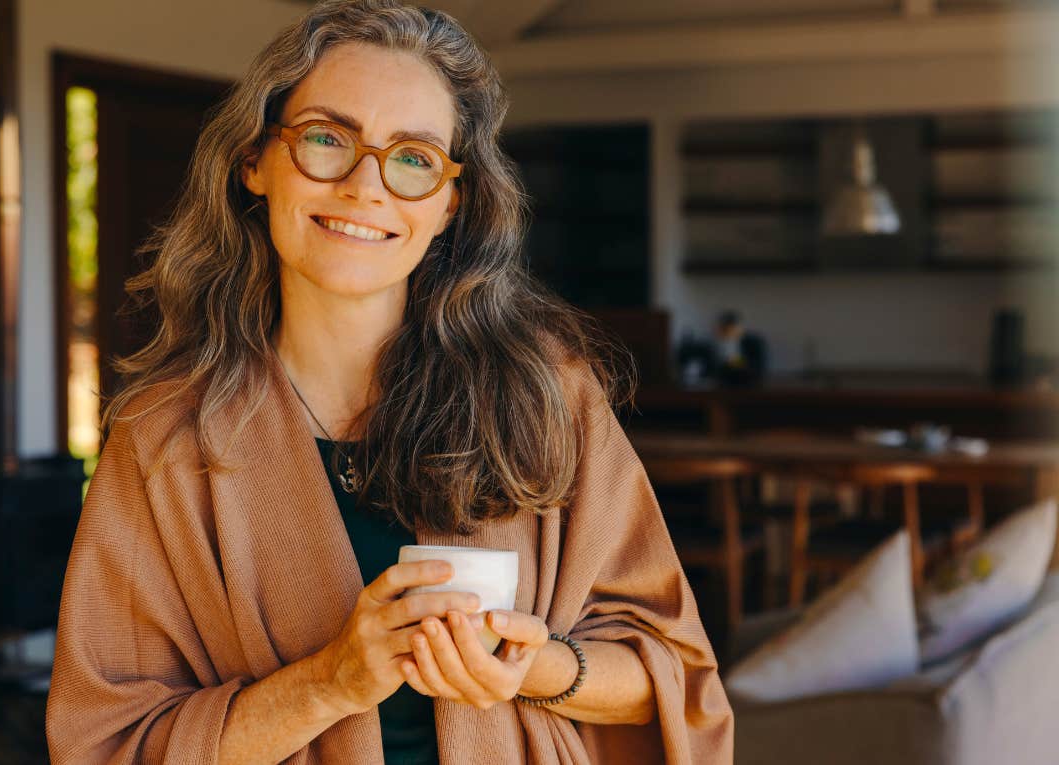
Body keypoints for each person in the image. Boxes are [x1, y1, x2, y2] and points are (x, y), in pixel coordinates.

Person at [46, 1, 733, 763]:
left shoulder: (548, 397)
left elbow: (672, 679)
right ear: (256, 161)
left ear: (449, 203)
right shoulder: (163, 438)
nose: (366, 186)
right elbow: (108, 746)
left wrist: (529, 668)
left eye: (412, 157)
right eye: (327, 139)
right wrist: (331, 682)